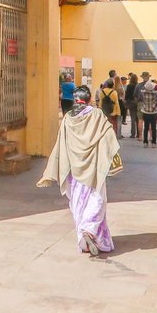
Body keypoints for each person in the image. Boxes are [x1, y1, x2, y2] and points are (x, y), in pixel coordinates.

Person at [37, 85, 122, 256]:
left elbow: (62, 142)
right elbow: (108, 135)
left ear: (75, 99)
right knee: (96, 200)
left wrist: (56, 166)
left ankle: (84, 240)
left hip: (73, 171)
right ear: (90, 98)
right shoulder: (96, 115)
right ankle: (89, 230)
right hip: (93, 169)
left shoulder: (68, 117)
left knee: (78, 204)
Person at [140, 78, 157, 147]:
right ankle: (154, 142)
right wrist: (155, 85)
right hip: (153, 112)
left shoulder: (143, 92)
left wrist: (146, 87)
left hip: (146, 112)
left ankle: (145, 142)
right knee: (153, 128)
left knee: (146, 128)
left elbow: (142, 89)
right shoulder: (155, 94)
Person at [125, 73, 139, 139]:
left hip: (131, 102)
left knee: (132, 118)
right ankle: (139, 133)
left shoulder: (129, 86)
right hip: (137, 102)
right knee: (138, 118)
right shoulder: (138, 85)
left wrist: (126, 101)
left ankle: (133, 134)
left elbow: (127, 95)